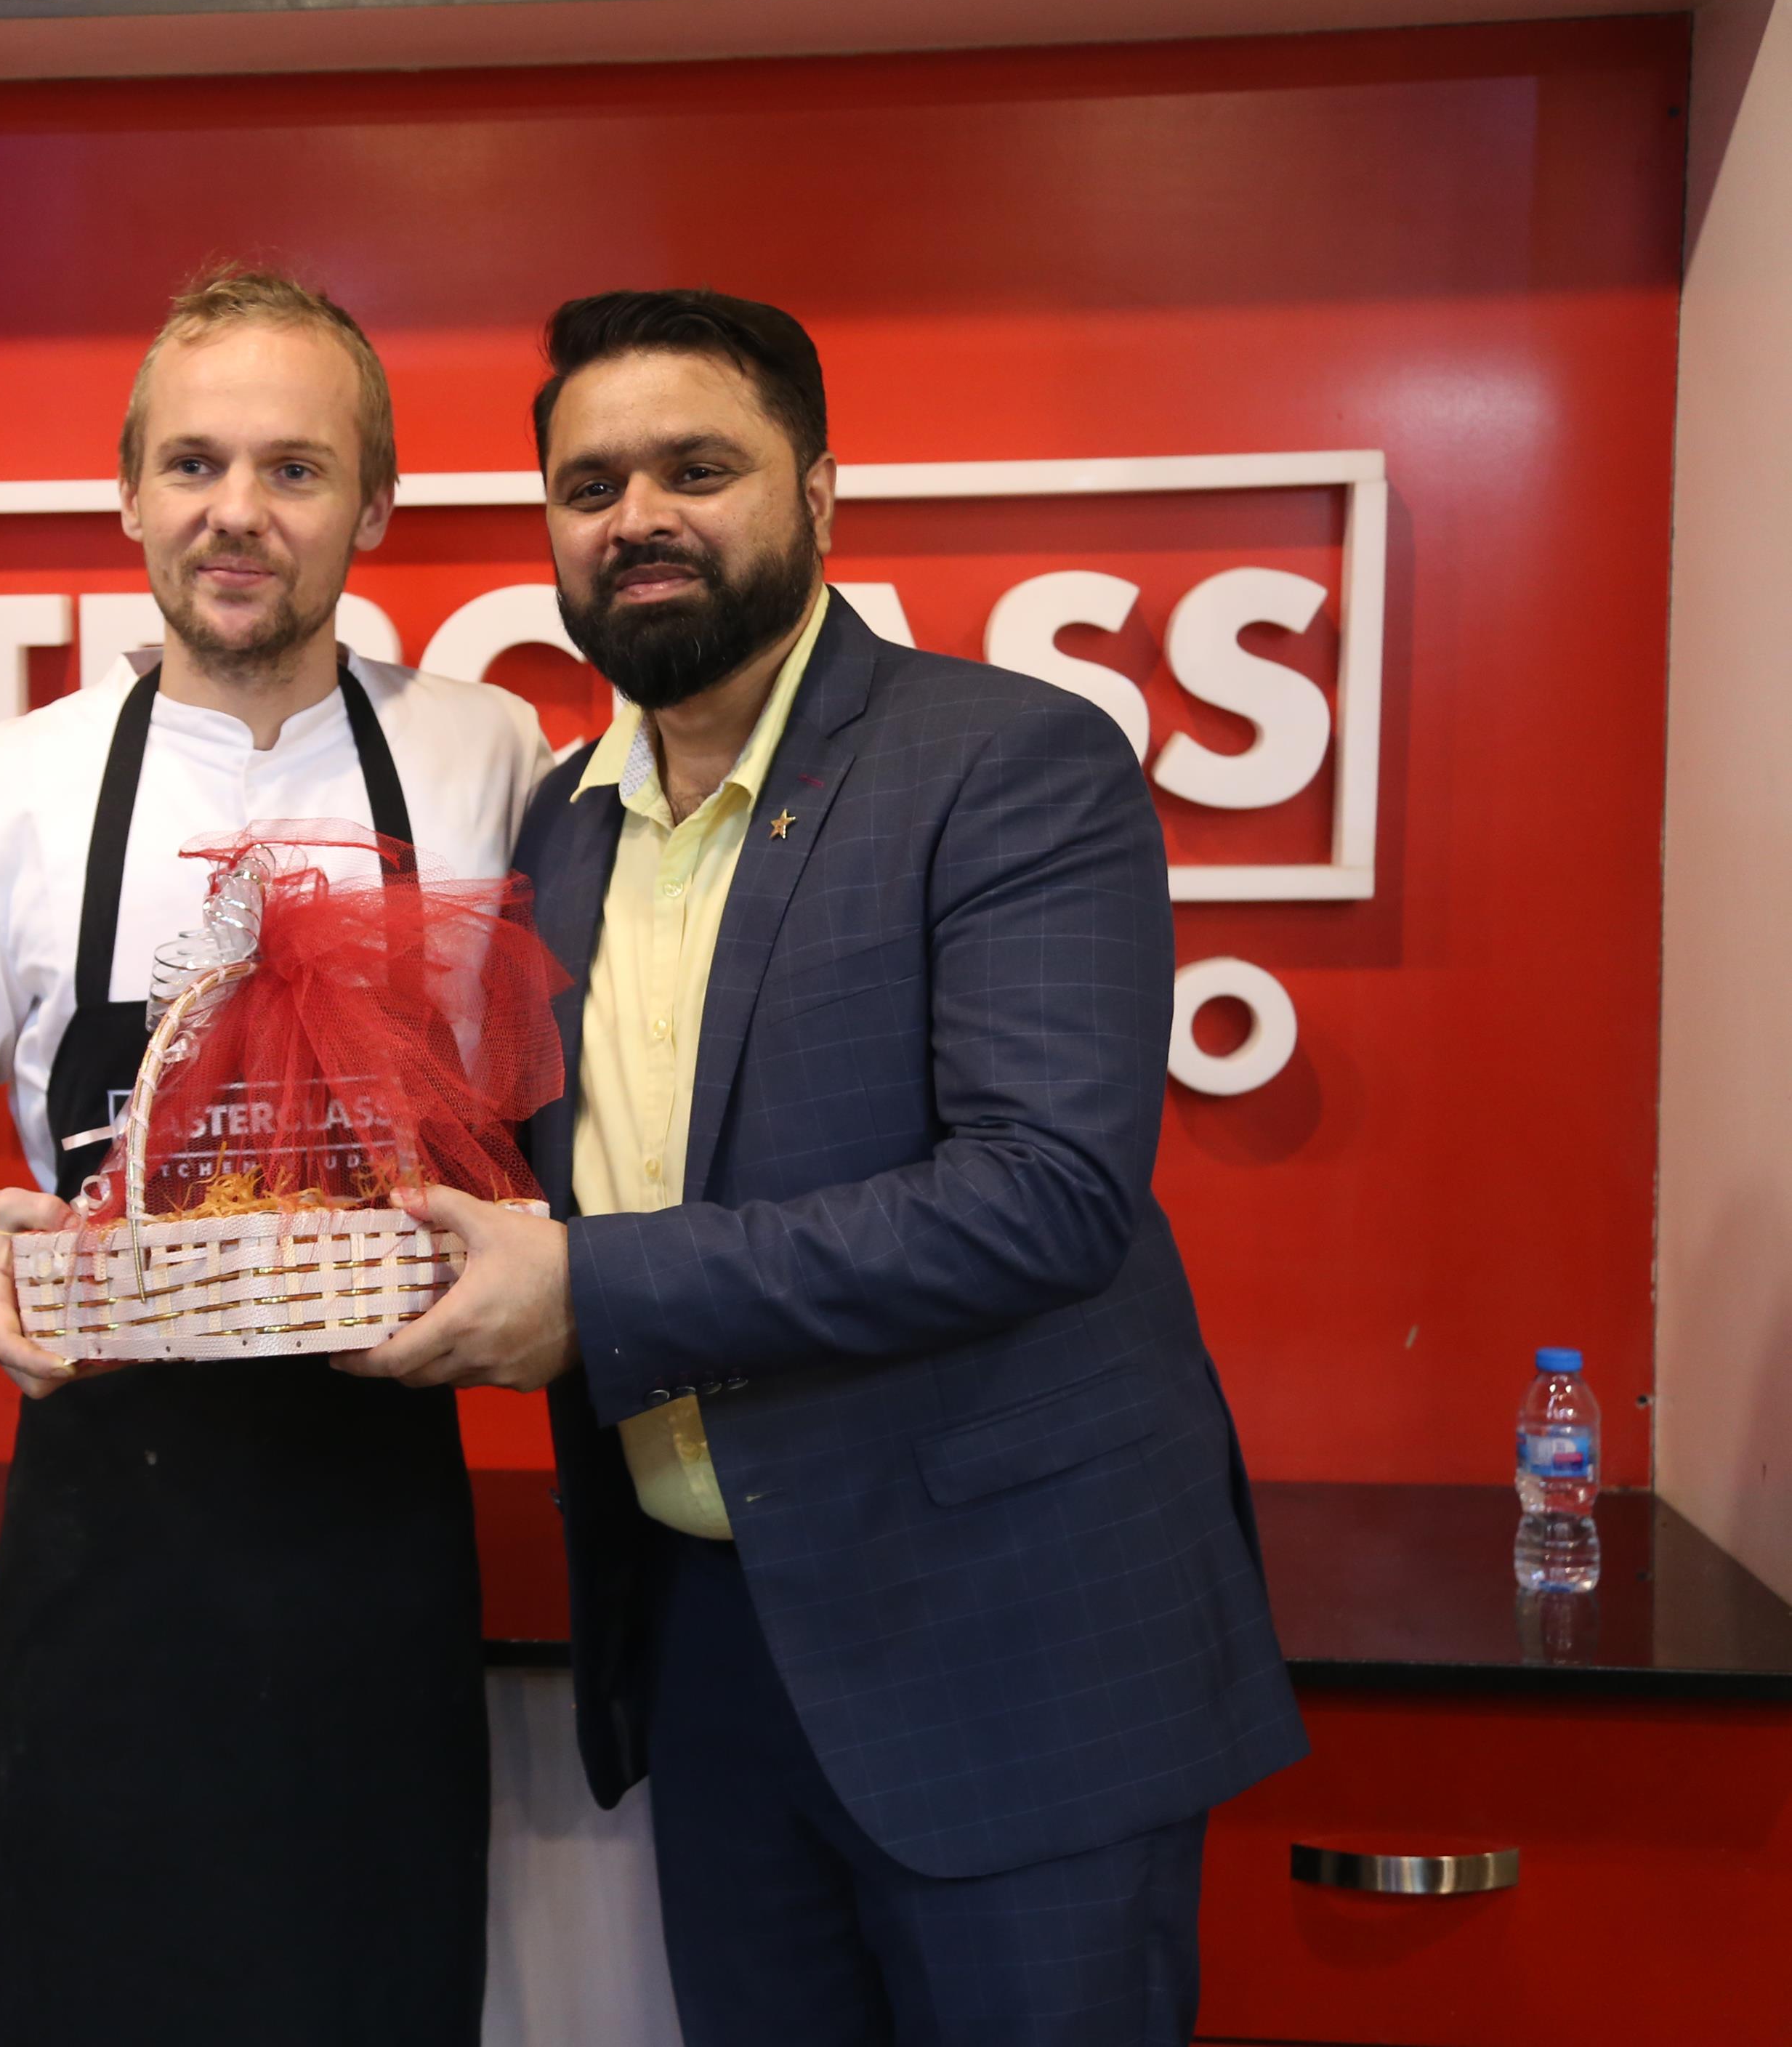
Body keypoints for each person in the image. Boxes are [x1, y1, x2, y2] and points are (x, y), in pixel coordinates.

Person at [342, 289, 1306, 2044]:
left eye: (696, 468)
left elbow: (1042, 1195)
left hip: (1004, 1652)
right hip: (709, 1646)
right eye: (589, 485)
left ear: (819, 493)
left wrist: (587, 1288)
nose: (637, 516)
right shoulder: (565, 822)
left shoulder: (1009, 760)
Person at [0, 267, 553, 2047]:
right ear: (130, 493)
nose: (238, 510)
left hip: (377, 1506)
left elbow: (542, 1103)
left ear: (372, 507)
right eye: (194, 463)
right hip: (108, 1531)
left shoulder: (483, 751)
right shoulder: (2, 787)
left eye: (295, 470)